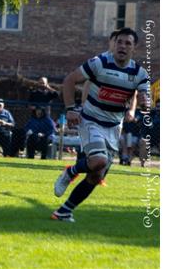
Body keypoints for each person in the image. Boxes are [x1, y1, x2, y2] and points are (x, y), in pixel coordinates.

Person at [52, 27, 150, 222]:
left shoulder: (140, 73)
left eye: (127, 43)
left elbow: (143, 95)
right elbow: (70, 80)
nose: (122, 46)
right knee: (98, 161)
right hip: (91, 121)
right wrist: (71, 108)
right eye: (119, 42)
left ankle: (64, 211)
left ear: (134, 48)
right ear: (114, 44)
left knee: (97, 176)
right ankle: (70, 171)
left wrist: (145, 103)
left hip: (114, 127)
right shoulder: (99, 63)